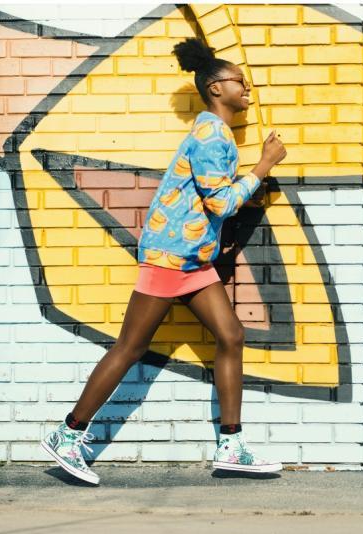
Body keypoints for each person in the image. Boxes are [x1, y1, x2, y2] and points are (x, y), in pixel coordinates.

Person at [40, 37, 288, 485]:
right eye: (240, 82)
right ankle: (68, 433)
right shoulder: (213, 133)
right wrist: (263, 166)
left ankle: (231, 445)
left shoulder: (216, 133)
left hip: (191, 260)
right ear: (215, 88)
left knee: (230, 335)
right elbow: (220, 204)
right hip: (172, 258)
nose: (247, 88)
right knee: (130, 348)